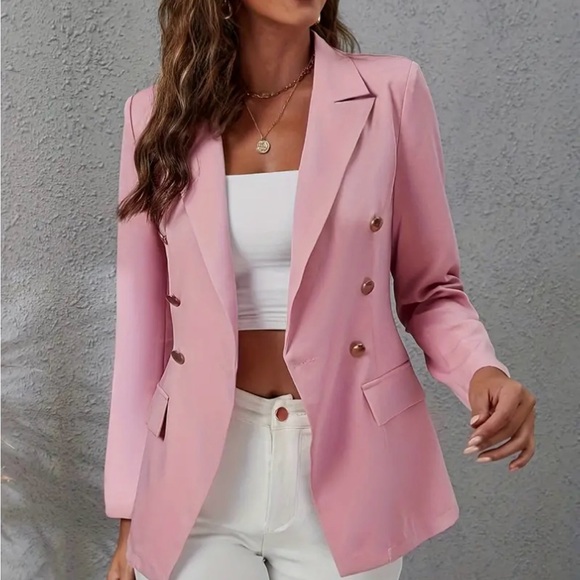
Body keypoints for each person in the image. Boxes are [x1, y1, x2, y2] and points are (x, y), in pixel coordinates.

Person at [104, 1, 537, 579]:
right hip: (197, 472)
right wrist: (131, 512)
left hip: (349, 456)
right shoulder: (155, 117)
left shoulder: (391, 93)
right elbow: (142, 333)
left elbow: (431, 288)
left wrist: (482, 371)